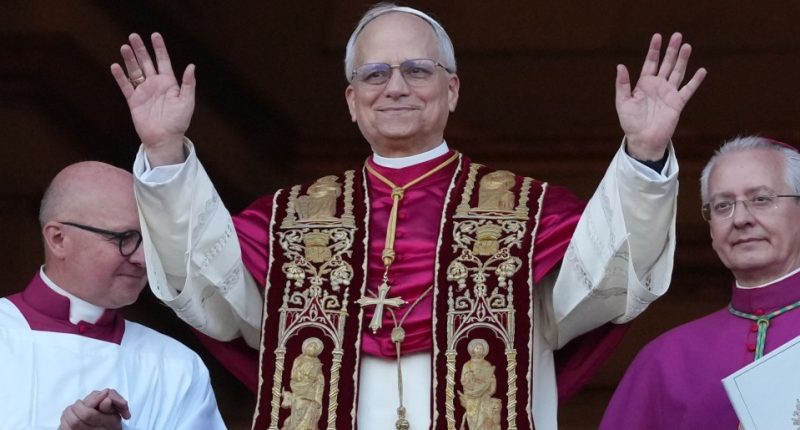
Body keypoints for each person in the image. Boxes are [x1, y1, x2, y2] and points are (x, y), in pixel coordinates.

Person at [109, 3, 706, 429]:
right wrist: (165, 154)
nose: (395, 87)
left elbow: (609, 282)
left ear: (452, 90)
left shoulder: (529, 214)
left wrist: (643, 156)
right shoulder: (290, 221)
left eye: (417, 70)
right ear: (350, 100)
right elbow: (213, 295)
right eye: (375, 73)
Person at [0, 161, 226, 429]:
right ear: (59, 238)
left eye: (149, 241)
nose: (143, 259)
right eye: (125, 238)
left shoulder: (177, 366)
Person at [599, 136, 800, 429]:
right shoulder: (667, 358)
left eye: (761, 199)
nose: (740, 218)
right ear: (711, 231)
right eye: (722, 206)